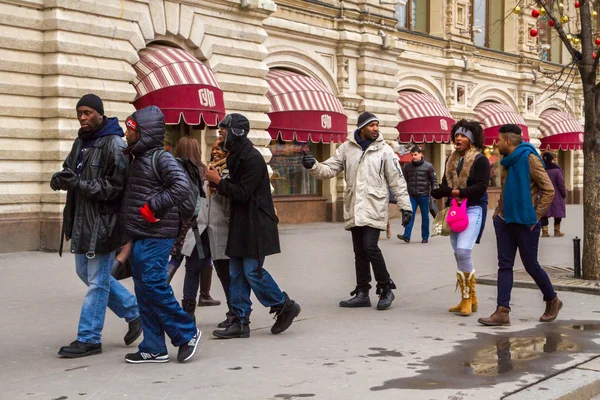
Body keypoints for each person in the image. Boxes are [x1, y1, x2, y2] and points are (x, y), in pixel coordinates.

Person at [51, 94, 141, 358]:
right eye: (79, 113)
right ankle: (134, 311)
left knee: (97, 282)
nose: (82, 117)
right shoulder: (81, 141)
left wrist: (78, 184)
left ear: (100, 114)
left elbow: (116, 187)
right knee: (86, 274)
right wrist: (60, 178)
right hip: (82, 221)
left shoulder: (114, 143)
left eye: (88, 112)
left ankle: (89, 338)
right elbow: (71, 169)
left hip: (103, 223)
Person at [302, 112, 412, 310]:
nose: (376, 129)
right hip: (354, 206)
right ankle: (362, 292)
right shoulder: (346, 148)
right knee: (359, 251)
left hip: (374, 205)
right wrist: (313, 166)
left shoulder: (384, 150)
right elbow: (329, 169)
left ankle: (386, 288)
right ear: (362, 127)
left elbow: (397, 180)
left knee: (370, 247)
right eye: (372, 125)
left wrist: (405, 207)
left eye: (377, 125)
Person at [205, 113, 301, 339]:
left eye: (223, 132)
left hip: (256, 224)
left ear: (235, 132)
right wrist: (219, 185)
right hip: (241, 222)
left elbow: (243, 192)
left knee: (251, 271)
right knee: (236, 271)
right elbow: (236, 191)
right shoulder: (237, 156)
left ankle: (284, 305)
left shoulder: (252, 158)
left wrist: (219, 182)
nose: (221, 137)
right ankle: (239, 320)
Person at [121, 106, 200, 363]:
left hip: (158, 234)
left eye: (130, 129)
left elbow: (181, 186)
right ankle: (154, 346)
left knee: (154, 286)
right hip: (142, 234)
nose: (126, 133)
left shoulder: (161, 158)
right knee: (144, 290)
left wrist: (154, 205)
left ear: (144, 132)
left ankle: (187, 333)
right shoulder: (138, 157)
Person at [478, 124, 561, 327]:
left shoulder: (530, 158)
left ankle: (552, 299)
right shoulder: (507, 161)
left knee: (530, 265)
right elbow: (507, 190)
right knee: (504, 265)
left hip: (525, 222)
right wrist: (498, 213)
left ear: (507, 141)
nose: (495, 143)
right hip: (505, 221)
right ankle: (502, 311)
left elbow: (548, 190)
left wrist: (535, 216)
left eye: (498, 140)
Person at [431, 120, 490, 317]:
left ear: (471, 140)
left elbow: (480, 187)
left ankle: (467, 298)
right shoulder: (451, 159)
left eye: (463, 135)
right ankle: (470, 299)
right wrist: (439, 192)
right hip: (455, 210)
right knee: (458, 253)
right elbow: (443, 185)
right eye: (457, 135)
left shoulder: (480, 160)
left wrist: (453, 191)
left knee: (464, 251)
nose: (458, 138)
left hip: (473, 209)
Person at [206, 139, 236, 328]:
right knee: (223, 275)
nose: (215, 151)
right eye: (214, 147)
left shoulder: (228, 171)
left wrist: (217, 182)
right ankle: (234, 311)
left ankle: (236, 312)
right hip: (210, 228)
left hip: (225, 229)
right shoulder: (210, 169)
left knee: (229, 275)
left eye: (220, 148)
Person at [397, 145, 438, 244]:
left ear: (421, 154)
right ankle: (406, 236)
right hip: (412, 196)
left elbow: (434, 181)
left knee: (425, 217)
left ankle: (425, 237)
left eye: (415, 154)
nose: (413, 157)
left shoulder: (428, 166)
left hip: (424, 195)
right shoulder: (407, 167)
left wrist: (434, 193)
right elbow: (404, 181)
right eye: (412, 155)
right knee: (409, 215)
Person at [541, 152, 567, 238]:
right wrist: (563, 194)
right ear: (552, 159)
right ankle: (557, 231)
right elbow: (561, 184)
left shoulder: (541, 170)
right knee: (557, 212)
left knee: (544, 213)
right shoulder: (557, 170)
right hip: (556, 195)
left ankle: (545, 231)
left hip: (543, 194)